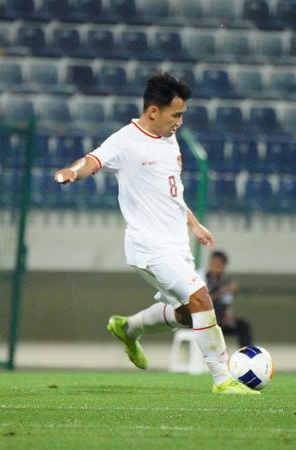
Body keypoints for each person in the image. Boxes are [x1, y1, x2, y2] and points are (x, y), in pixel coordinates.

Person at [54, 73, 257, 395]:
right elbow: (93, 161)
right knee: (202, 299)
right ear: (153, 111)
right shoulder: (126, 139)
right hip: (148, 245)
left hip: (177, 244)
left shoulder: (169, 138)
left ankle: (128, 328)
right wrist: (72, 172)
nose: (180, 121)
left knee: (189, 314)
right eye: (176, 114)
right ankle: (223, 378)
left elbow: (170, 194)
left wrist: (193, 224)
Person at [204, 250, 253, 348]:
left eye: (220, 265)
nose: (217, 268)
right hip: (203, 320)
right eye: (214, 264)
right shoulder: (202, 277)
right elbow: (204, 301)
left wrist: (228, 317)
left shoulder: (225, 280)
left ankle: (246, 356)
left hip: (220, 321)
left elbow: (226, 303)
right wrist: (225, 290)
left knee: (243, 325)